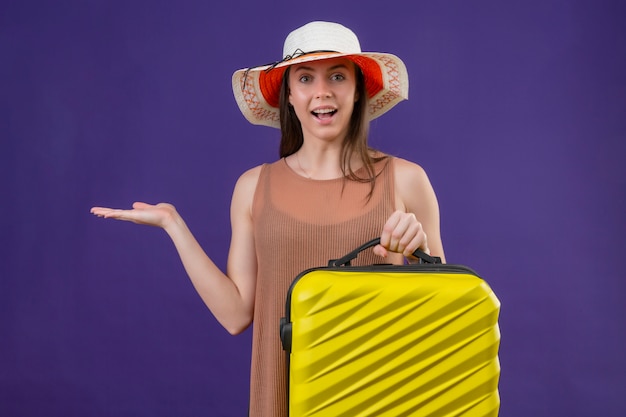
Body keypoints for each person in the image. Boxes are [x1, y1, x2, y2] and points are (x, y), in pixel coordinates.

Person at [91, 21, 445, 417]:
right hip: (285, 394)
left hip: (380, 395)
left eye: (338, 76)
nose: (322, 91)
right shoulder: (253, 187)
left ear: (358, 90)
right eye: (306, 77)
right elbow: (235, 314)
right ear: (288, 95)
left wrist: (421, 252)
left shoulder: (407, 180)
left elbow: (442, 317)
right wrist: (174, 225)